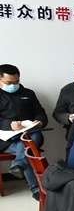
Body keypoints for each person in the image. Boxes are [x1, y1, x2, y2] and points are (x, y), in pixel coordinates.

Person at [0, 64, 48, 200]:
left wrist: (40, 121)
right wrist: (9, 125)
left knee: (31, 139)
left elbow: (40, 112)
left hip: (29, 133)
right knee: (29, 150)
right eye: (8, 83)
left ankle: (19, 165)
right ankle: (36, 189)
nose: (13, 85)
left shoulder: (28, 93)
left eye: (16, 82)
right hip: (5, 139)